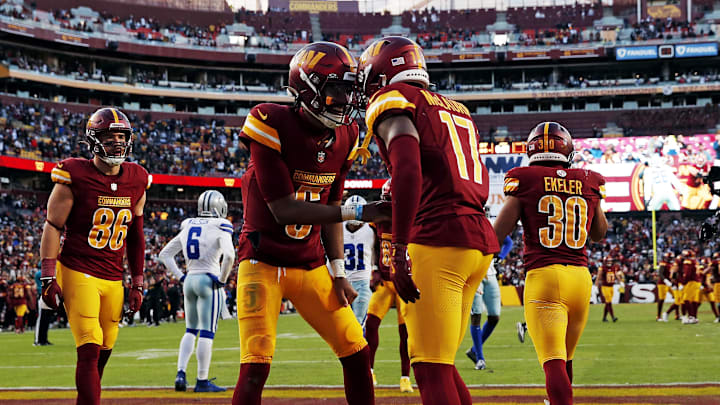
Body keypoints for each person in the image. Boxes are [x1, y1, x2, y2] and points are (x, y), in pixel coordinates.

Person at [231, 41, 388, 405]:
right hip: (262, 261)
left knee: (357, 351)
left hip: (310, 262)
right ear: (308, 88)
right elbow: (284, 210)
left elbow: (332, 203)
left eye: (348, 90)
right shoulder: (270, 121)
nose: (345, 99)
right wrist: (362, 212)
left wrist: (338, 272)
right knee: (255, 367)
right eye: (336, 89)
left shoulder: (346, 135)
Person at [357, 36, 499, 405]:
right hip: (475, 239)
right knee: (443, 364)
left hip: (438, 240)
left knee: (430, 369)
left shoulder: (393, 99)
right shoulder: (457, 108)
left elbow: (408, 168)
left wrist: (399, 246)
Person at [39, 107, 150, 405]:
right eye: (108, 136)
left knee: (103, 351)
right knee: (88, 345)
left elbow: (136, 234)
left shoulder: (138, 177)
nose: (116, 142)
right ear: (93, 139)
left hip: (113, 277)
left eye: (121, 136)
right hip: (78, 270)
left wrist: (137, 281)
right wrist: (48, 276)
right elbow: (53, 226)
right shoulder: (74, 172)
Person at [494, 122, 608, 405]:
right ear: (567, 149)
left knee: (553, 361)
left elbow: (498, 233)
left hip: (544, 276)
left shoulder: (525, 178)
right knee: (566, 358)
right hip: (580, 278)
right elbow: (599, 233)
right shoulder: (588, 179)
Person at [159, 190, 236, 393]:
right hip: (208, 279)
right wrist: (222, 280)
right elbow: (229, 256)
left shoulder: (188, 224)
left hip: (190, 279)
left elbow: (164, 254)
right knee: (207, 332)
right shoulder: (221, 225)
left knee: (190, 330)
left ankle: (181, 373)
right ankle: (202, 380)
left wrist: (181, 276)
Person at [364, 179, 413, 393]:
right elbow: (374, 244)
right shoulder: (378, 221)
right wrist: (375, 267)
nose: (389, 207)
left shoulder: (414, 220)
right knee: (371, 326)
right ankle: (369, 372)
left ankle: (405, 377)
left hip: (404, 283)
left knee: (406, 333)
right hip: (385, 281)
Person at [465, 235, 512, 370]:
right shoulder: (467, 222)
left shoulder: (490, 224)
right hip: (473, 274)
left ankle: (474, 350)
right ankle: (480, 359)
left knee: (494, 317)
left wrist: (501, 256)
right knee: (476, 316)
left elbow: (508, 242)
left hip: (490, 273)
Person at [342, 195, 376, 325]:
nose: (354, 214)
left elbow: (377, 252)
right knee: (342, 325)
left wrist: (376, 270)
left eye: (358, 210)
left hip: (362, 283)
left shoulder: (371, 230)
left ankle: (360, 346)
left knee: (359, 323)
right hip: (342, 283)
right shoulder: (337, 228)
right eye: (352, 210)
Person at [34, 267, 53, 345]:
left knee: (46, 319)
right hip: (42, 295)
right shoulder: (40, 273)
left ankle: (44, 339)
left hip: (48, 296)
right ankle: (38, 340)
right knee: (42, 319)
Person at [656, 252, 674, 322]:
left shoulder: (672, 264)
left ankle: (677, 315)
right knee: (661, 299)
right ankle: (658, 316)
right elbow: (660, 273)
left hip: (670, 283)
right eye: (669, 257)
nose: (670, 259)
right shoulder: (663, 263)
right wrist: (666, 281)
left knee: (677, 298)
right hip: (663, 283)